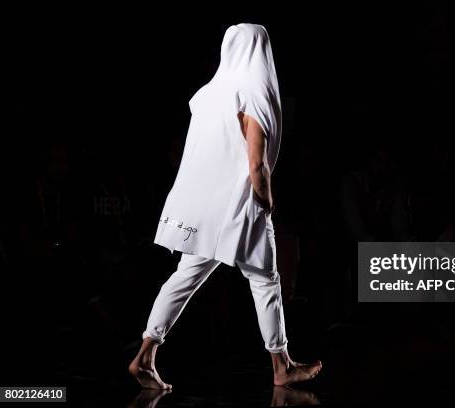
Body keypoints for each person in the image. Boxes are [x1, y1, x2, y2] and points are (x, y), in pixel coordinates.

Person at [128, 23, 322, 389]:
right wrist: (267, 203)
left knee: (186, 276)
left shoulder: (208, 94)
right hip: (240, 209)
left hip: (205, 208)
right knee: (266, 280)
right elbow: (256, 162)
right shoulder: (254, 92)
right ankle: (281, 366)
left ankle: (144, 354)